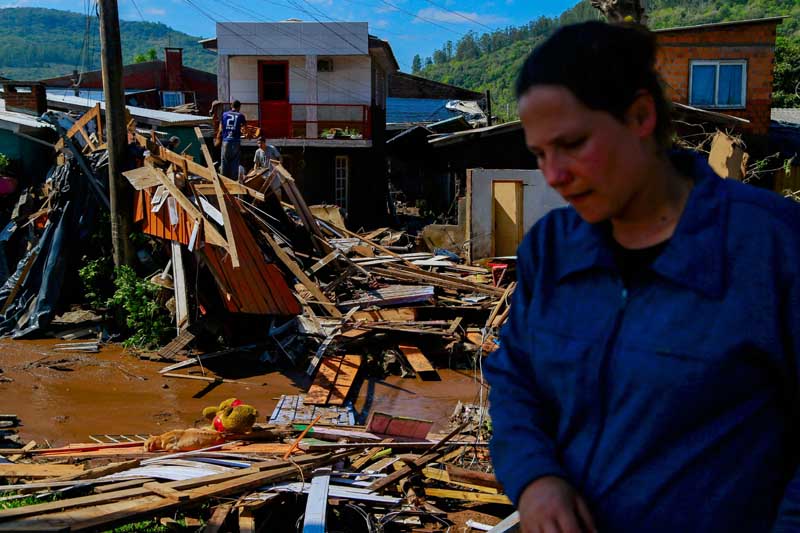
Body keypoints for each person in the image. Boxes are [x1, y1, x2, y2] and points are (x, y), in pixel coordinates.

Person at [484, 21, 800, 533]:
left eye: (572, 143)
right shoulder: (551, 249)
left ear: (640, 116)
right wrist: (535, 477)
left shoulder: (771, 248)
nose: (554, 176)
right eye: (540, 154)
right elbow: (516, 378)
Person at [219, 100, 247, 180]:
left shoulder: (224, 114)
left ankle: (223, 181)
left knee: (224, 161)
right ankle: (234, 181)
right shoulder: (241, 115)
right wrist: (245, 134)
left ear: (231, 106)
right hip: (235, 141)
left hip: (225, 141)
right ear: (239, 107)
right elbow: (245, 129)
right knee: (235, 161)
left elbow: (220, 128)